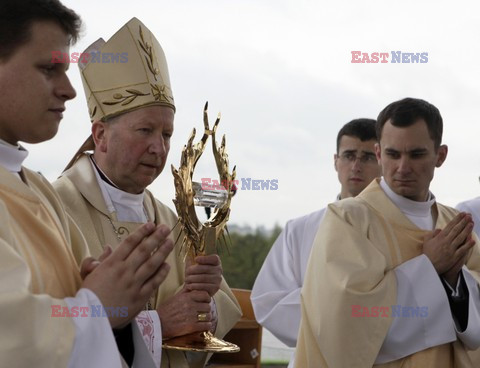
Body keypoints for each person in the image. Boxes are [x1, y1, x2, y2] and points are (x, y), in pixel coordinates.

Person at [53, 17, 242, 368]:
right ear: (101, 135)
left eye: (167, 134)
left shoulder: (173, 219)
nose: (158, 147)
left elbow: (224, 310)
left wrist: (206, 299)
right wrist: (156, 325)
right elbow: (48, 327)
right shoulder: (55, 208)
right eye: (145, 130)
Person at [0, 1, 174, 367]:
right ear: (102, 136)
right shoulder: (57, 194)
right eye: (49, 69)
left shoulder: (35, 188)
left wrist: (109, 296)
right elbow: (11, 339)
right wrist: (97, 304)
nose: (69, 90)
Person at [295, 98, 480, 367]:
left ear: (440, 155)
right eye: (393, 154)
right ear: (379, 154)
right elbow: (341, 321)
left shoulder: (456, 224)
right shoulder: (348, 219)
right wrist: (429, 267)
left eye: (416, 154)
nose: (403, 168)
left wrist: (455, 281)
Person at [250, 119, 381, 355]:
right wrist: (347, 315)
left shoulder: (396, 228)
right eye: (349, 155)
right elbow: (268, 304)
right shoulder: (300, 230)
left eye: (368, 157)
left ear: (382, 160)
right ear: (335, 161)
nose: (357, 166)